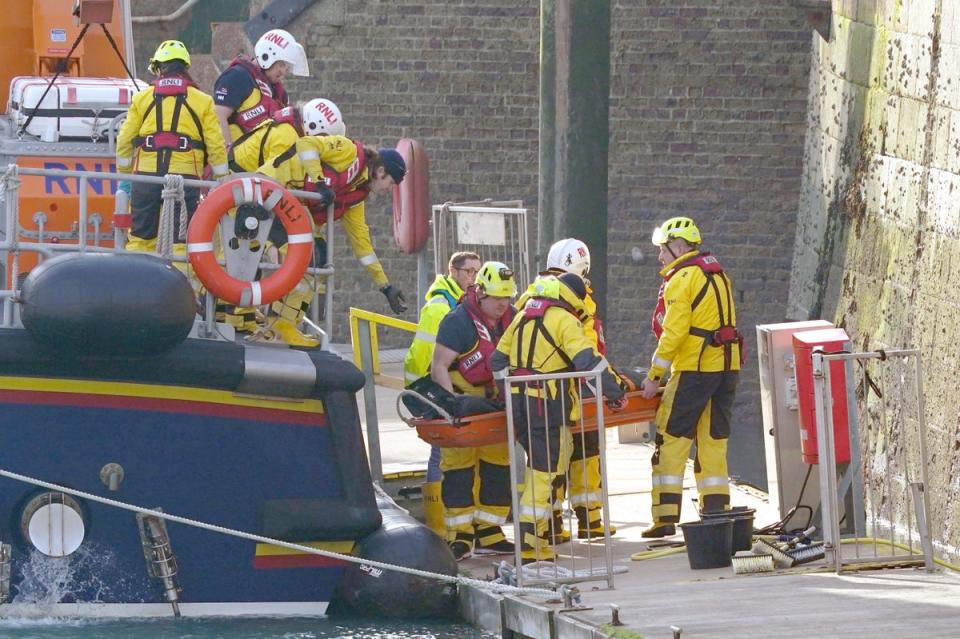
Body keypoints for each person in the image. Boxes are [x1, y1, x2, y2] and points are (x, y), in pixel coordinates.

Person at [491, 272, 626, 563]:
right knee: (546, 471)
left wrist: (510, 388)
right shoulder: (564, 320)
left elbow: (497, 361)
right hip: (548, 406)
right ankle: (528, 542)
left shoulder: (523, 316)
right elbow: (589, 363)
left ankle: (534, 538)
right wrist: (615, 392)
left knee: (539, 468)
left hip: (520, 406)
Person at [514, 238, 626, 541]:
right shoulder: (576, 297)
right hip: (571, 385)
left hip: (533, 390)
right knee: (583, 451)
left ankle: (550, 523)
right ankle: (588, 518)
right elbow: (586, 347)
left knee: (547, 460)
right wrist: (612, 383)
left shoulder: (530, 295)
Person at [639, 217, 741, 538]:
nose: (660, 257)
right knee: (713, 443)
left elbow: (673, 334)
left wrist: (655, 375)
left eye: (663, 250)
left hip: (694, 370)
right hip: (727, 369)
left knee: (671, 440)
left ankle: (665, 518)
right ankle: (715, 514)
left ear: (679, 247)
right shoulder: (718, 274)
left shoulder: (681, 279)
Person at [255, 134, 407, 346]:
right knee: (307, 256)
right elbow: (305, 143)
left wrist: (385, 286)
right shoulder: (348, 151)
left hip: (292, 210)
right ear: (381, 171)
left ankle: (284, 324)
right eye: (391, 184)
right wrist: (319, 182)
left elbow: (362, 246)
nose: (389, 191)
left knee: (321, 257)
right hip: (270, 190)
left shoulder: (356, 196)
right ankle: (279, 324)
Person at [219, 98, 346, 334]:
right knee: (245, 249)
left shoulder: (291, 130)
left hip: (246, 188)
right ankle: (240, 316)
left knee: (246, 249)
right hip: (242, 191)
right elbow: (276, 182)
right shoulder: (287, 138)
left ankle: (243, 313)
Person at [430, 261, 518, 560]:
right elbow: (439, 365)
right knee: (458, 468)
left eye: (506, 298)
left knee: (498, 465)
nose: (502, 304)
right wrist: (450, 404)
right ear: (480, 293)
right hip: (464, 400)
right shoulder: (458, 321)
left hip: (495, 402)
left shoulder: (512, 318)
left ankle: (490, 531)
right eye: (497, 299)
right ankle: (461, 534)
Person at [116, 40, 228, 254]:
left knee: (140, 239)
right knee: (180, 242)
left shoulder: (141, 99)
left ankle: (139, 283)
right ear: (185, 68)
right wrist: (222, 178)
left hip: (145, 177)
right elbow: (216, 144)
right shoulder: (203, 101)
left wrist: (125, 177)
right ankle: (179, 285)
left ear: (159, 69)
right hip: (185, 179)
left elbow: (124, 140)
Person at [402, 251, 482, 537]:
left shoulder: (455, 302)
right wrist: (439, 398)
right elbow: (428, 357)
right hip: (430, 388)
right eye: (469, 271)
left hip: (436, 386)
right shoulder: (441, 306)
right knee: (441, 452)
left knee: (446, 452)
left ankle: (447, 526)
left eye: (477, 271)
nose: (474, 277)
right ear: (454, 271)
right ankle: (440, 527)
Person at [213, 28, 309, 145]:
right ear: (267, 55)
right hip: (238, 158)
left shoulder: (278, 93)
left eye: (287, 68)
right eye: (281, 64)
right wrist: (227, 157)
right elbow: (217, 116)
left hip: (266, 159)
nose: (283, 72)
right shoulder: (238, 76)